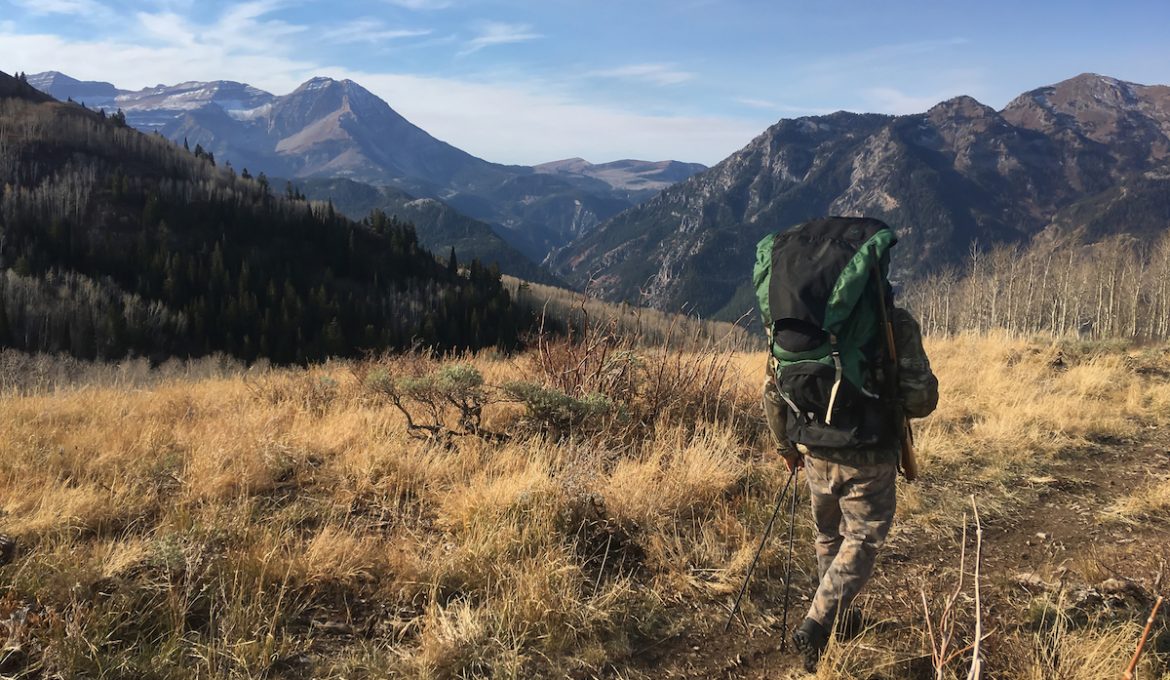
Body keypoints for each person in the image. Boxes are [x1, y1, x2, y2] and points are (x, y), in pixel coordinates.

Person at [762, 305, 938, 673]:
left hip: (813, 448)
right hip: (868, 453)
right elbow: (921, 399)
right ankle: (818, 624)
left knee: (828, 533)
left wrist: (785, 447)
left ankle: (839, 622)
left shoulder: (795, 321)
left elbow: (773, 389)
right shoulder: (892, 320)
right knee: (863, 535)